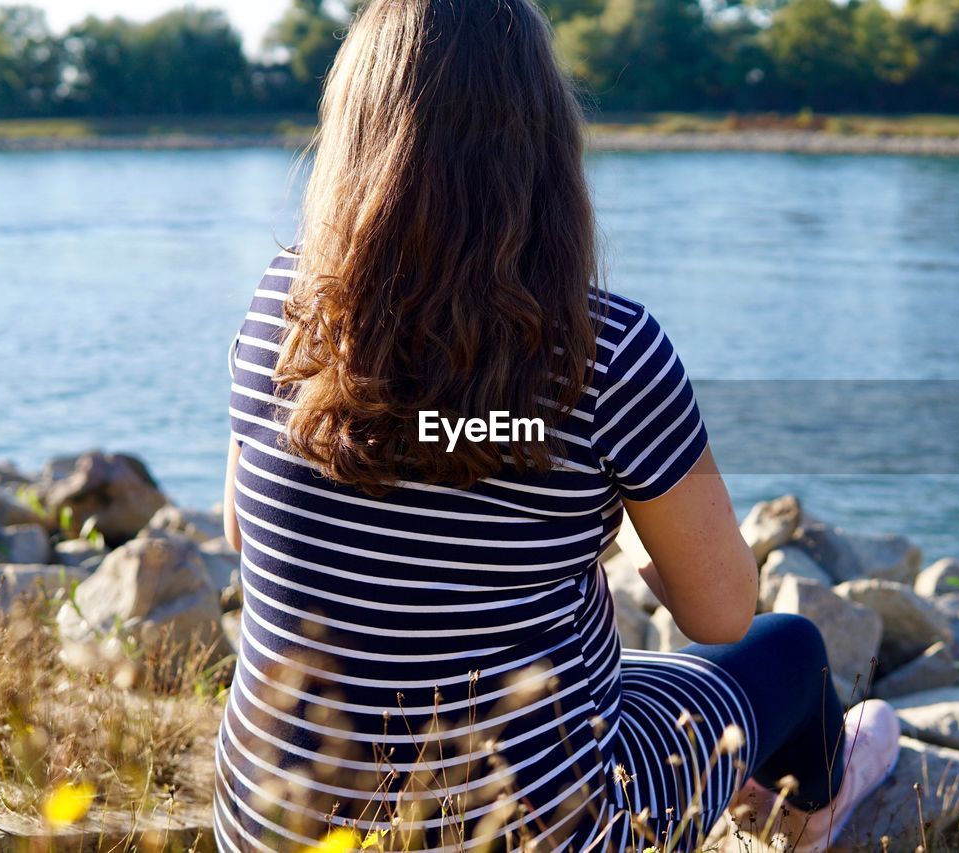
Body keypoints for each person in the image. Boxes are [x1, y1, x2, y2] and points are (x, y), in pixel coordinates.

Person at [213, 1, 900, 850]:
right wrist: (609, 526)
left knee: (630, 674)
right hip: (537, 833)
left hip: (273, 828)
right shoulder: (606, 352)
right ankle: (818, 802)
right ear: (540, 144)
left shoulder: (280, 310)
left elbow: (244, 528)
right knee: (788, 650)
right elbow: (721, 612)